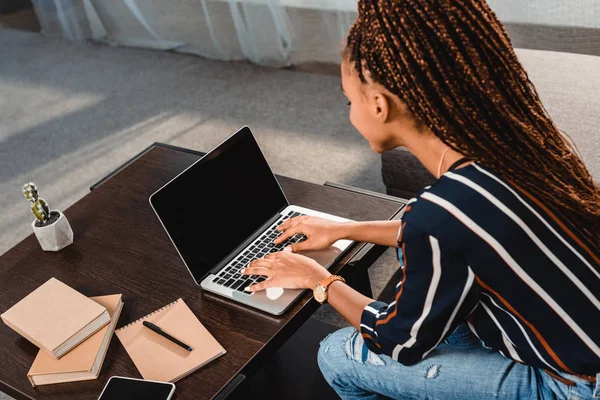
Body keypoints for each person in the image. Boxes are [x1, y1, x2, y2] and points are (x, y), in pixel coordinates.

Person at [242, 0, 600, 398]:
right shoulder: (515, 148)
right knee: (419, 272)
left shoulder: (442, 215)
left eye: (349, 100)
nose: (350, 112)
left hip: (575, 385)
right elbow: (446, 228)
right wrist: (343, 229)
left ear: (379, 105)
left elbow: (398, 342)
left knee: (336, 355)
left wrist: (319, 280)